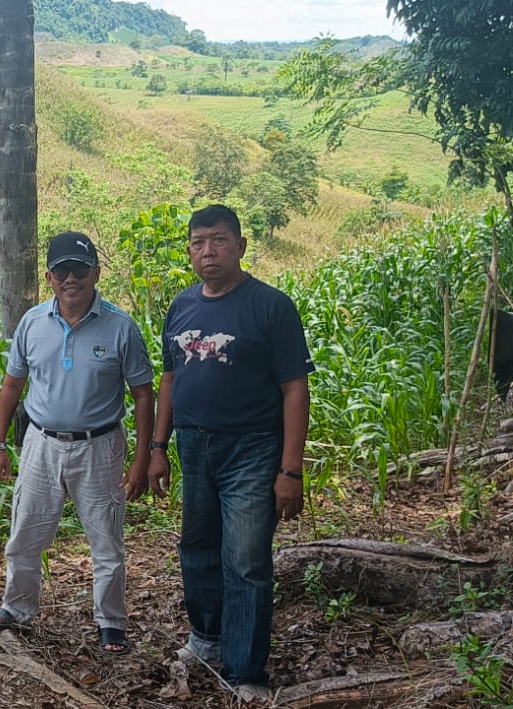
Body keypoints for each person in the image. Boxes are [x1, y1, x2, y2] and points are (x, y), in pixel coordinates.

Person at [146, 204, 313, 704]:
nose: (208, 251)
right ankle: (206, 638)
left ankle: (245, 670)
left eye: (218, 240)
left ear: (240, 246)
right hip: (194, 443)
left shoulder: (270, 307)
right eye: (198, 242)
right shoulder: (182, 306)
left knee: (245, 558)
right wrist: (158, 447)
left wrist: (290, 469)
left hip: (253, 447)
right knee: (196, 546)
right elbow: (170, 379)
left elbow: (295, 389)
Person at [0, 231, 155, 656]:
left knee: (106, 541)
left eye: (80, 269)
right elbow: (11, 386)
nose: (71, 278)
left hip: (99, 447)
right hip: (41, 443)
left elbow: (143, 394)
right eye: (62, 270)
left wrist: (142, 458)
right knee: (25, 534)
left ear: (96, 273)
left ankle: (111, 623)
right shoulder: (32, 323)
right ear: (50, 276)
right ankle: (17, 608)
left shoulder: (120, 326)